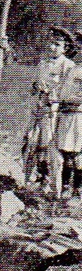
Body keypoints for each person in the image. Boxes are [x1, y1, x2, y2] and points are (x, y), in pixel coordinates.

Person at [23, 27, 76, 194]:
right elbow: (34, 86)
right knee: (32, 141)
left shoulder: (68, 66)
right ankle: (34, 177)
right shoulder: (43, 63)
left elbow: (70, 92)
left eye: (57, 44)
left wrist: (53, 92)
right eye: (51, 43)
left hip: (55, 111)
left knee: (48, 145)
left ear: (65, 48)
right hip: (38, 108)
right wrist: (36, 87)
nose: (52, 47)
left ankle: (52, 183)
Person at [54, 31, 82, 199]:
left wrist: (72, 101)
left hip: (79, 114)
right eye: (79, 43)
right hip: (67, 113)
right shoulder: (73, 67)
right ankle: (65, 187)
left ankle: (77, 189)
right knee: (65, 150)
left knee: (77, 152)